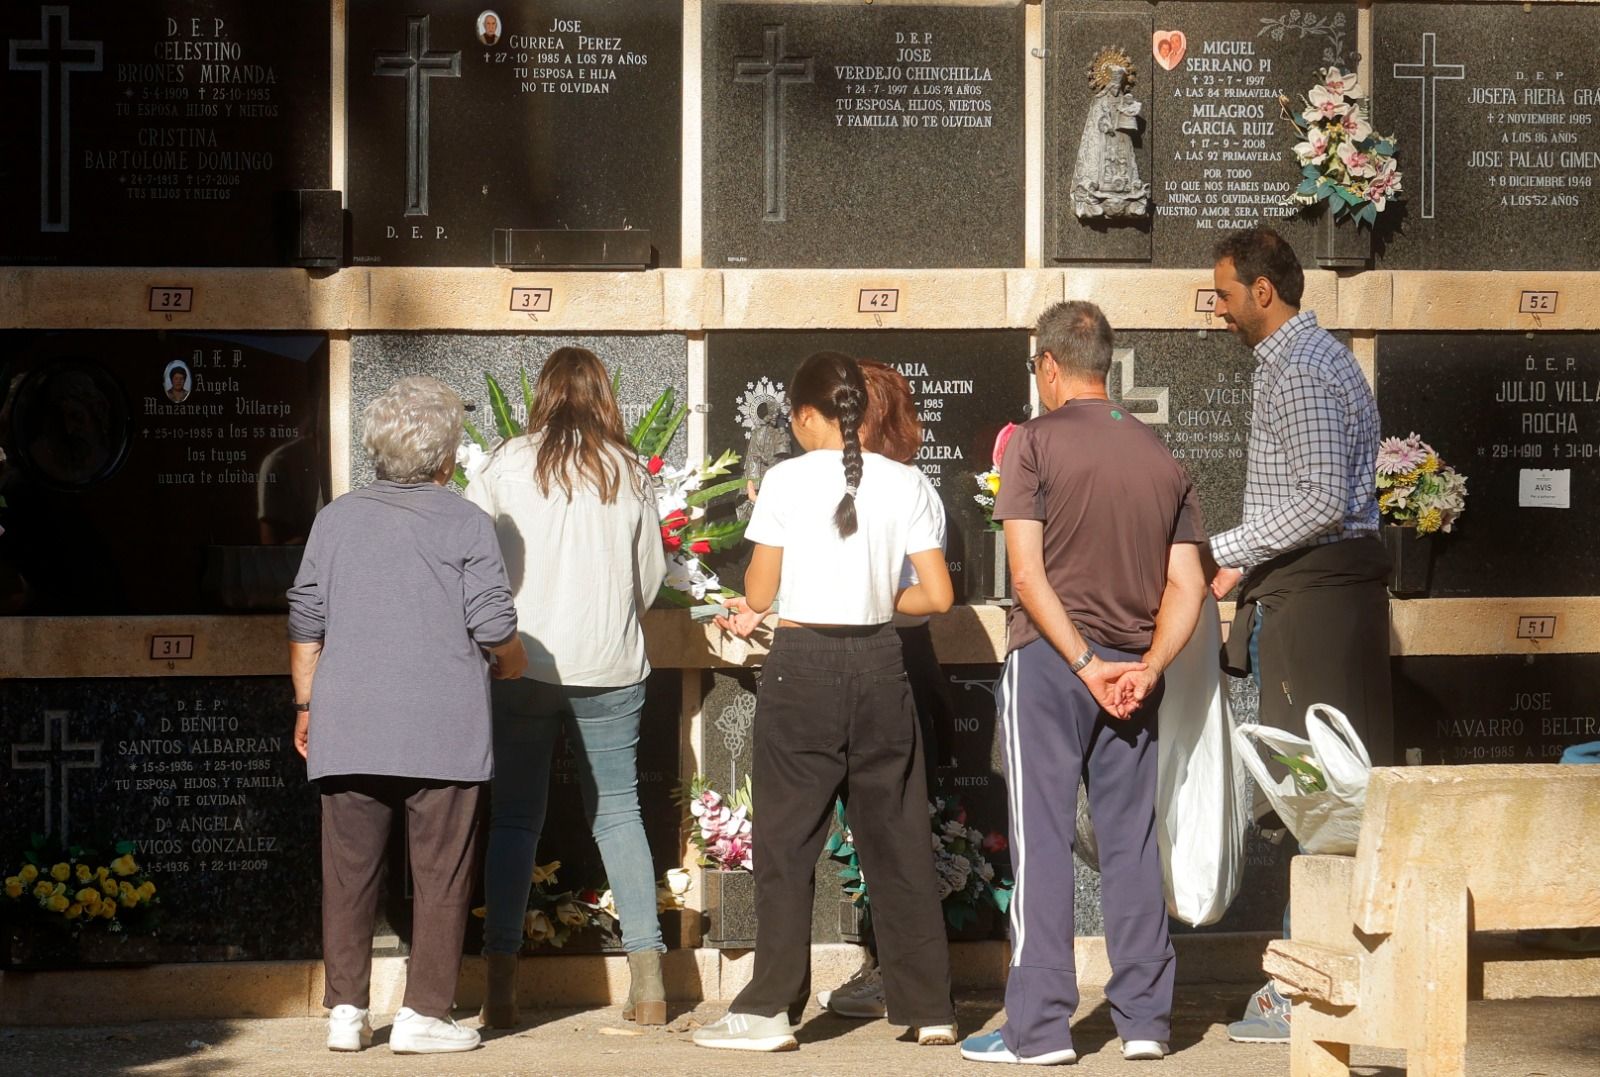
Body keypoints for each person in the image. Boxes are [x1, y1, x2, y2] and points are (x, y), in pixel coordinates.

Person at [959, 301, 1207, 1066]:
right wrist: (1148, 666)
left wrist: (1080, 661)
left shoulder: (1033, 443)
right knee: (1130, 842)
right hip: (1134, 672)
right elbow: (1189, 586)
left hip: (1055, 666)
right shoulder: (1163, 457)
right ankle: (1144, 1021)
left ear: (1049, 365)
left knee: (1041, 842)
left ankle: (1038, 1029)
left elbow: (1028, 574)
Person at [694, 351, 958, 1053]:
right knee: (898, 836)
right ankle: (929, 1003)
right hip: (880, 663)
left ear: (807, 414)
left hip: (802, 664)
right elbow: (937, 596)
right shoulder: (909, 482)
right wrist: (872, 597)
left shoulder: (782, 479)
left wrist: (762, 596)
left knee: (786, 842)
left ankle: (772, 1009)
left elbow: (756, 593)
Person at [288, 375, 527, 1055]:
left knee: (348, 870)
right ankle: (425, 1011)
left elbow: (306, 619)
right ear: (447, 456)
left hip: (349, 719)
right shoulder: (466, 522)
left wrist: (307, 703)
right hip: (443, 727)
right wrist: (513, 661)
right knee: (443, 870)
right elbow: (492, 626)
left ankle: (346, 1010)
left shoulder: (335, 518)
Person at [1206, 227, 1392, 1044]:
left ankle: (1302, 991)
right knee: (1330, 792)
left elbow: (1319, 500)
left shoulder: (1304, 371)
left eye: (1223, 293)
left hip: (1315, 601)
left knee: (1315, 795)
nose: (1216, 309)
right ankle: (1334, 972)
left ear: (1263, 292)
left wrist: (1227, 549)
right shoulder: (1315, 360)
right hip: (1320, 594)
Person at [466, 347, 669, 1029]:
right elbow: (648, 582)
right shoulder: (632, 471)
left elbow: (477, 564)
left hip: (522, 663)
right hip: (610, 664)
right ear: (603, 395)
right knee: (618, 813)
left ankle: (500, 989)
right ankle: (648, 988)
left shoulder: (502, 464)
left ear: (544, 394)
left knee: (516, 817)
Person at [813, 358, 957, 1021]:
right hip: (894, 655)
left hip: (888, 655)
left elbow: (922, 597)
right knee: (882, 825)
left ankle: (890, 970)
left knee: (887, 828)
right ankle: (903, 974)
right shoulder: (896, 483)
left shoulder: (891, 486)